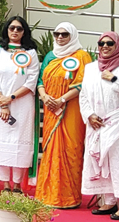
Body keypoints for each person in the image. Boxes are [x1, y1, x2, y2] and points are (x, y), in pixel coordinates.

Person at [79, 31, 119, 219]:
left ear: (118, 46)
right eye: (101, 44)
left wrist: (115, 79)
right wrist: (89, 115)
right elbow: (83, 95)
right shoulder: (91, 68)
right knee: (101, 160)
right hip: (97, 123)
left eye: (110, 43)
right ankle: (109, 201)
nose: (105, 47)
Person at [33, 22, 90, 209]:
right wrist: (45, 97)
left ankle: (69, 197)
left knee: (71, 150)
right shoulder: (50, 55)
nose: (59, 37)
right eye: (56, 33)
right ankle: (47, 194)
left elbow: (83, 83)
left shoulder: (82, 56)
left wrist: (62, 100)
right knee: (50, 150)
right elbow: (40, 79)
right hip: (50, 109)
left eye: (64, 34)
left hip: (71, 110)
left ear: (72, 36)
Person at [0, 16, 41, 192]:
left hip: (22, 104)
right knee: (1, 144)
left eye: (19, 29)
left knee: (18, 143)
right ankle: (5, 184)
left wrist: (12, 98)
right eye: (12, 28)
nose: (15, 31)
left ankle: (17, 184)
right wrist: (3, 103)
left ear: (24, 32)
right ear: (6, 30)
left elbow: (31, 81)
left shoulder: (30, 53)